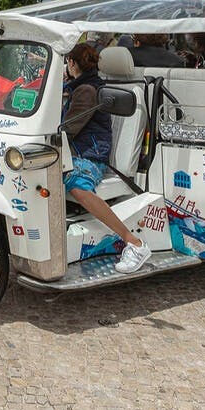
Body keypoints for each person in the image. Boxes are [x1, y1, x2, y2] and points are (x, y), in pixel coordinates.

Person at [61, 42, 152, 273]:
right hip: (77, 152)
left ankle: (134, 242)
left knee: (76, 185)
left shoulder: (87, 91)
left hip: (90, 155)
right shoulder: (80, 87)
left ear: (71, 63)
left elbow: (68, 129)